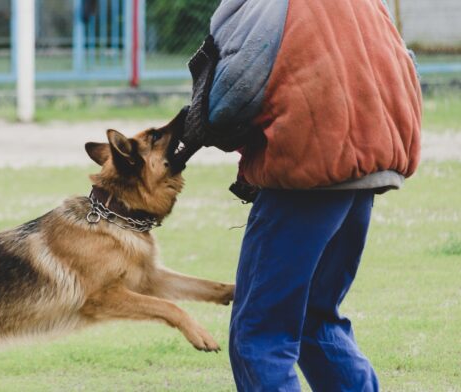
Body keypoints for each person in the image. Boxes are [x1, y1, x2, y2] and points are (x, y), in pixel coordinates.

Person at [180, 0, 421, 390]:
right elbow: (404, 65)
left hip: (306, 175)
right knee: (316, 319)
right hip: (368, 168)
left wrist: (205, 128)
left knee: (259, 334)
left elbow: (230, 96)